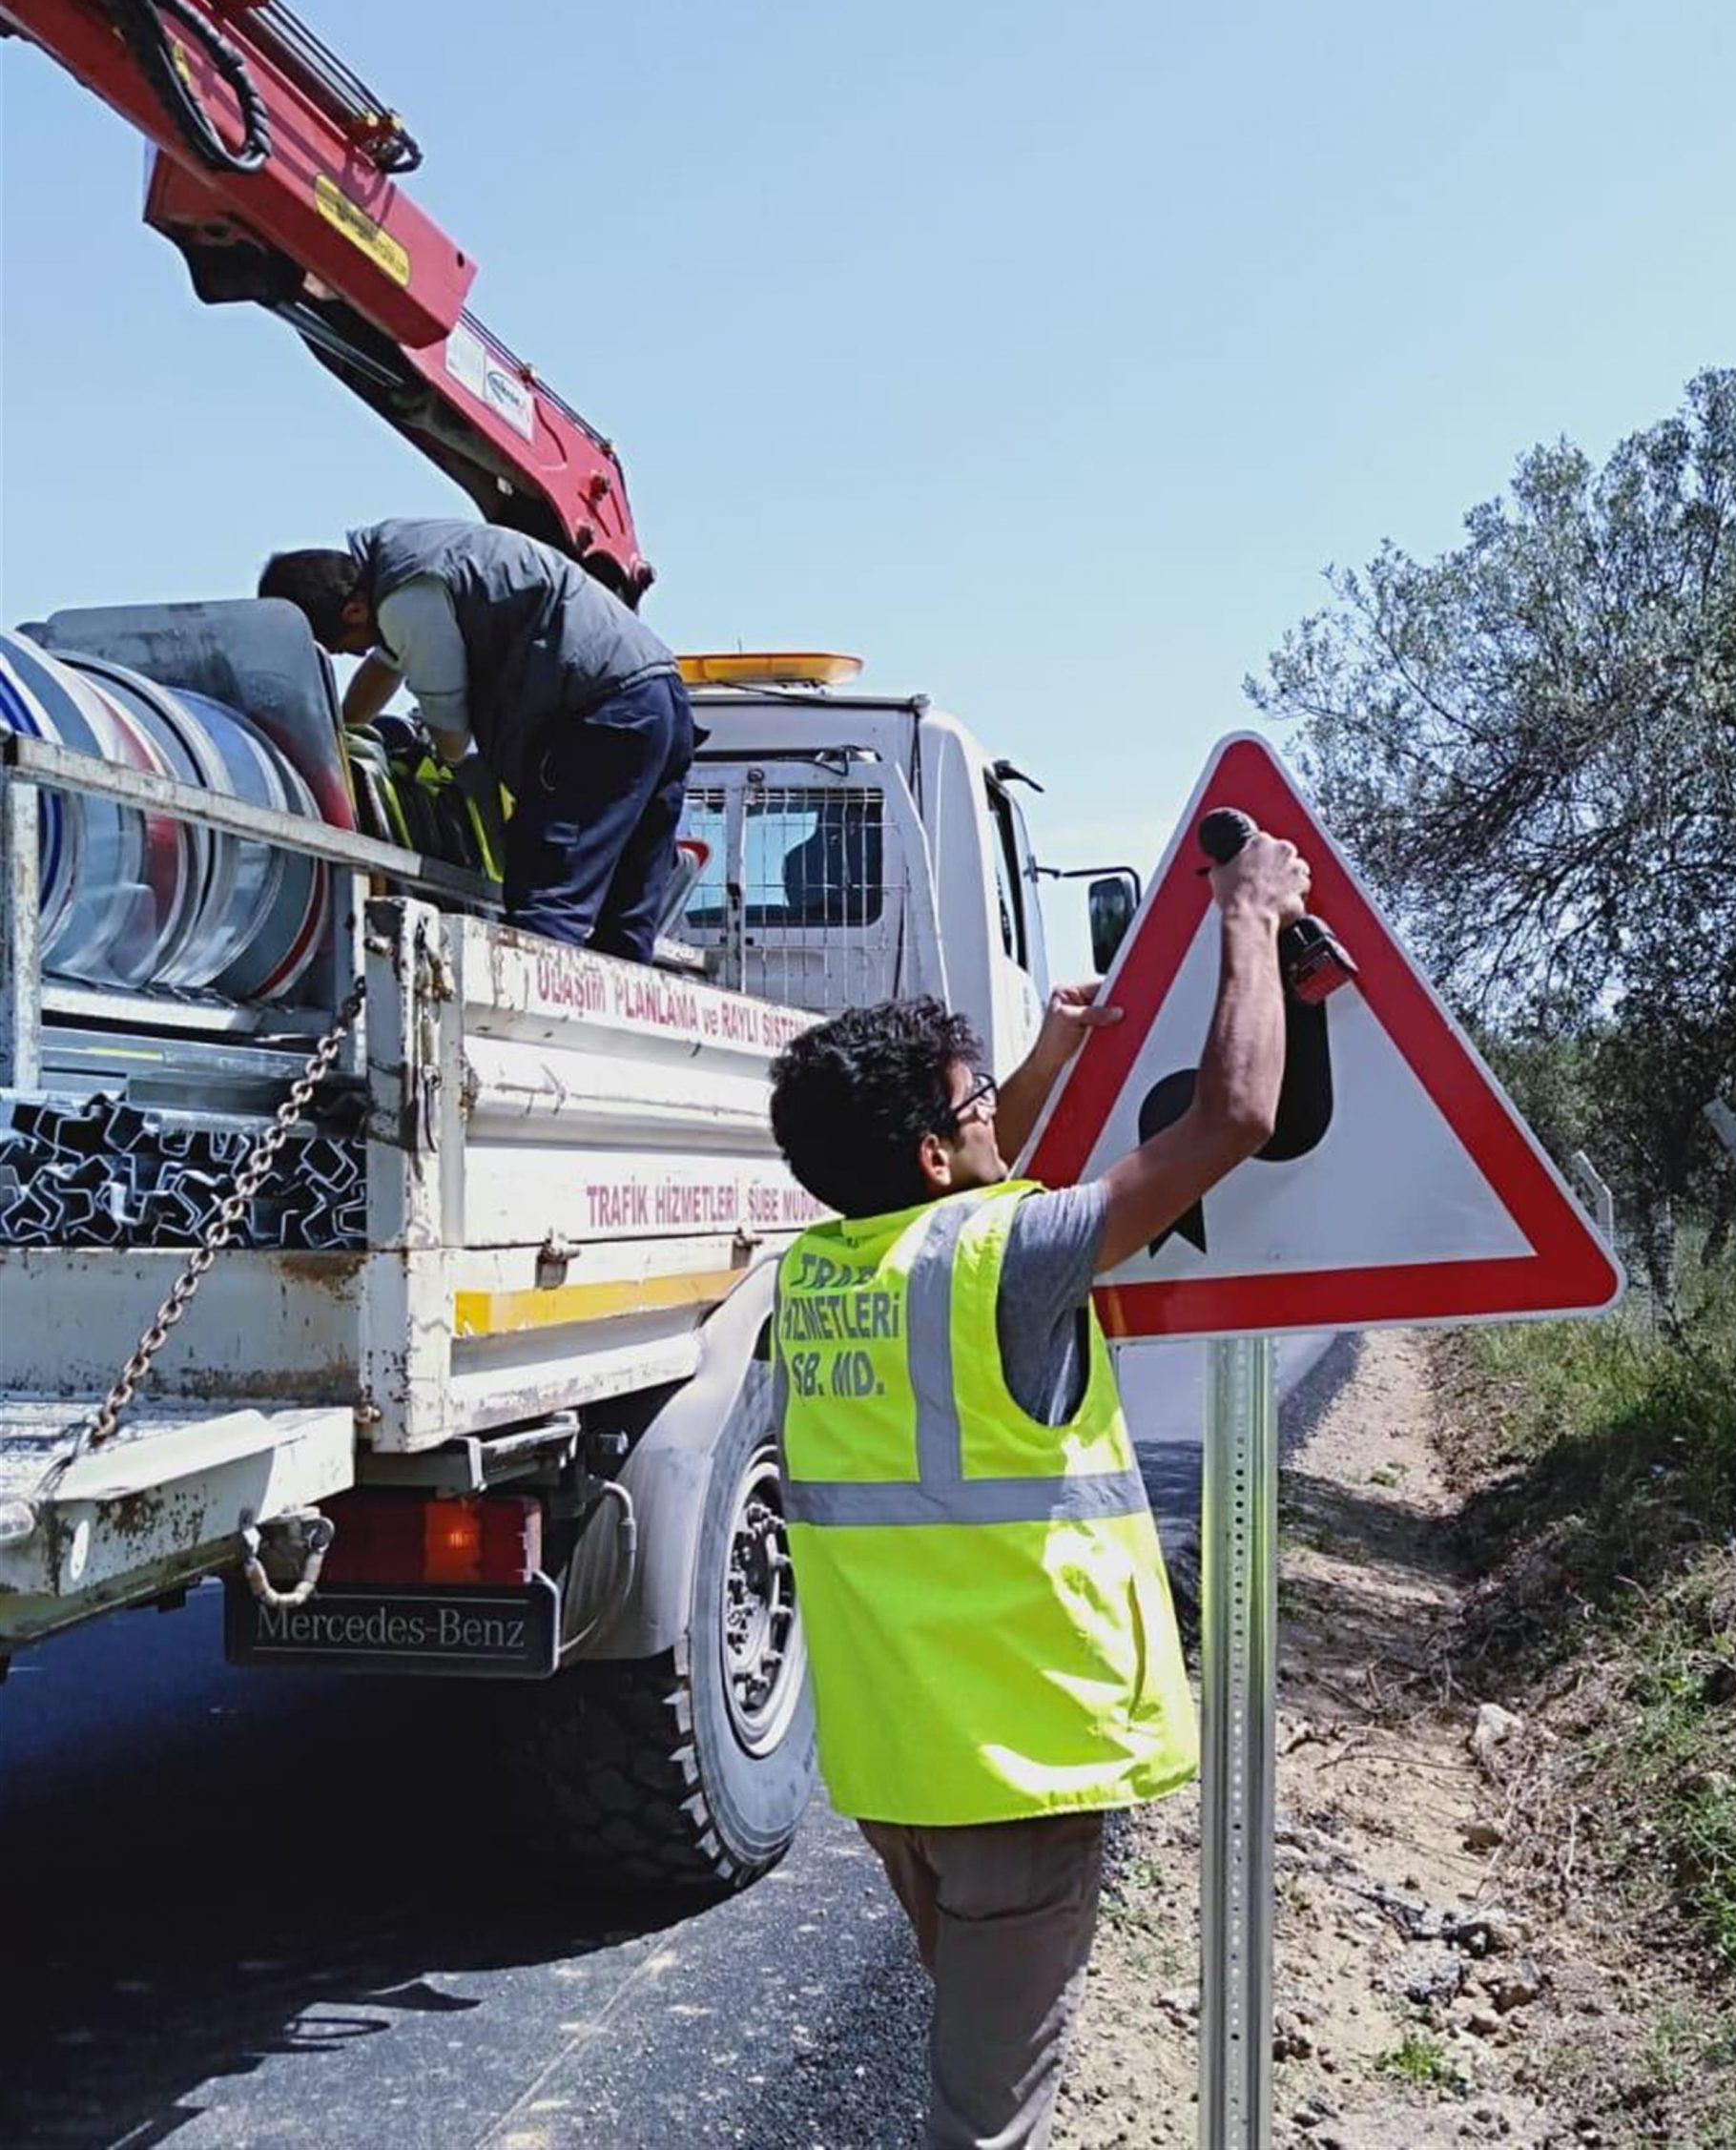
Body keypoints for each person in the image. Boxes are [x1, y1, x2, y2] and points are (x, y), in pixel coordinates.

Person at [764, 827, 1312, 2150]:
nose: (990, 1117)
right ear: (937, 1157)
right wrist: (1246, 919)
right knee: (983, 2122)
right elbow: (1232, 1118)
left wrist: (1051, 1060)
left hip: (905, 1773)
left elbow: (959, 1179)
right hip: (1021, 1766)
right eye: (971, 1107)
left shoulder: (820, 1272)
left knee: (982, 2058)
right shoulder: (1007, 1258)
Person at [258, 518, 694, 963]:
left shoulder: (407, 600)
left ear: (353, 612)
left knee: (548, 895)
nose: (351, 654)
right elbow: (386, 666)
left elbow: (448, 721)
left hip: (599, 709)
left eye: (342, 648)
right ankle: (608, 1029)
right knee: (628, 906)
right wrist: (337, 731)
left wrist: (451, 764)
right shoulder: (407, 564)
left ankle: (529, 1022)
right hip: (659, 696)